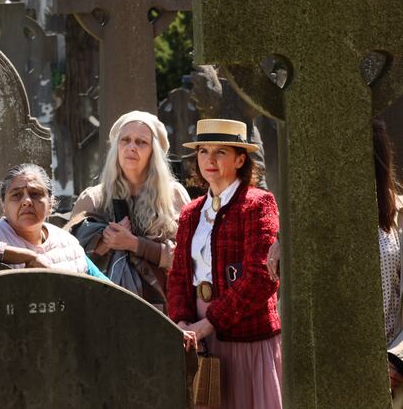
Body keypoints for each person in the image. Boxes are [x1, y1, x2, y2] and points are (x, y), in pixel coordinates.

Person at [268, 119, 403, 404]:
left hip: (387, 372)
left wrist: (396, 360)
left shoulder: (397, 218)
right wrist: (288, 241)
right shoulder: (311, 222)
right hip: (326, 373)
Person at [167, 118, 281, 409]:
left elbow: (261, 277)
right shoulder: (191, 212)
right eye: (204, 151)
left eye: (220, 152)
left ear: (240, 158)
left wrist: (208, 323)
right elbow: (178, 275)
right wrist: (182, 322)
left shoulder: (258, 203)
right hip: (199, 336)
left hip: (246, 336)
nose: (210, 159)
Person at [68, 111, 189, 309]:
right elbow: (70, 260)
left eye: (141, 142)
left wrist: (134, 244)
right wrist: (104, 244)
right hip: (106, 308)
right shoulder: (93, 199)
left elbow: (187, 259)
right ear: (116, 148)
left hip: (164, 308)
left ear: (154, 152)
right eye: (125, 140)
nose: (131, 147)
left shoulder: (174, 196)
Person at [0, 163, 107, 279]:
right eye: (16, 195)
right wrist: (28, 256)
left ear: (50, 203)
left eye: (35, 194)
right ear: (3, 205)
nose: (27, 201)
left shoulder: (67, 243)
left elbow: (106, 290)